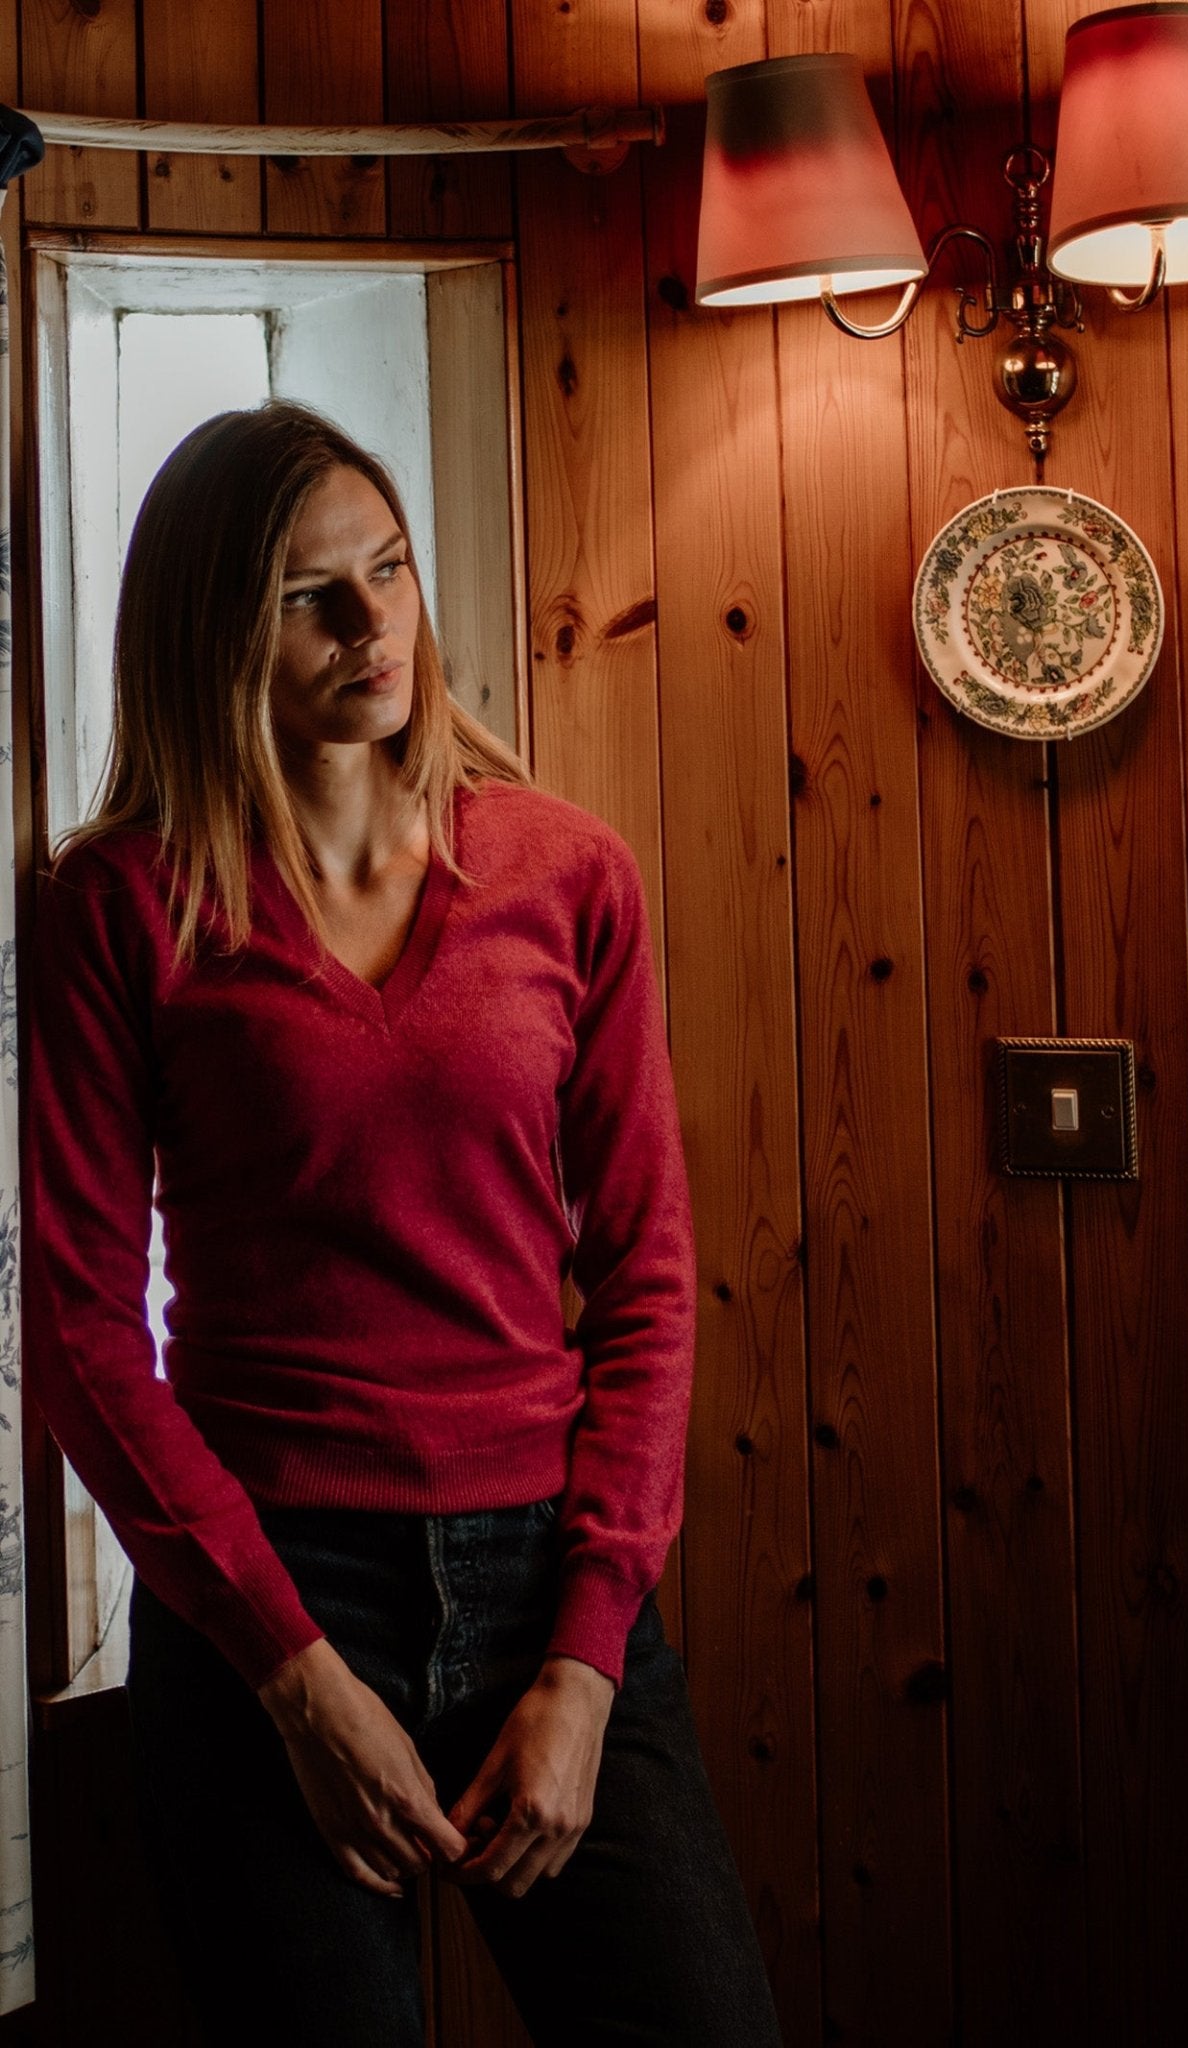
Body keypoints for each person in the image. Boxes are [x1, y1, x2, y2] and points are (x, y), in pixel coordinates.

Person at [22, 400, 784, 2048]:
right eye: (312, 595)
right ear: (209, 628)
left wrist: (585, 1662)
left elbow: (647, 1281)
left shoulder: (568, 874)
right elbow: (84, 1334)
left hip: (550, 1592)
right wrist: (289, 1674)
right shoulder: (117, 909)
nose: (376, 626)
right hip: (268, 1597)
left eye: (391, 567)